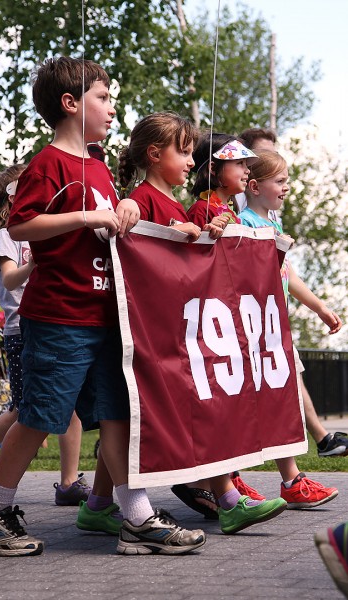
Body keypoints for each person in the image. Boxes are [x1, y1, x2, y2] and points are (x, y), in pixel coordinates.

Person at [0, 57, 205, 557]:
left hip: (105, 315)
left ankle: (137, 517)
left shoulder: (100, 166)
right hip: (60, 315)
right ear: (71, 103)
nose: (111, 107)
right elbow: (20, 226)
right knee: (40, 417)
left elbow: (113, 220)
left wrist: (124, 208)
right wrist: (85, 216)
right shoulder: (47, 163)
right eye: (103, 97)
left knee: (119, 413)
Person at [118, 112, 287, 534]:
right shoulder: (144, 196)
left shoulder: (178, 204)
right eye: (184, 151)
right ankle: (228, 500)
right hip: (159, 330)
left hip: (175, 326)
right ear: (155, 155)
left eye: (194, 152)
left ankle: (101, 504)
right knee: (185, 412)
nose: (191, 161)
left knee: (125, 422)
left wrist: (201, 229)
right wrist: (127, 206)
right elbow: (136, 219)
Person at [172, 134, 339, 520]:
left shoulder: (235, 212)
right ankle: (226, 482)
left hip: (261, 324)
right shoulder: (211, 211)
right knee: (237, 404)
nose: (246, 170)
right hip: (235, 328)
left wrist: (316, 306)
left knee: (273, 399)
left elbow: (279, 273)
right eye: (240, 164)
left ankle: (266, 480)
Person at [0, 164, 91, 508]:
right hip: (21, 330)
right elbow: (11, 280)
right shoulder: (7, 235)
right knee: (21, 412)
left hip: (48, 324)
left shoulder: (43, 231)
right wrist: (35, 264)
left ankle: (69, 482)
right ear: (9, 200)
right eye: (22, 189)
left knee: (67, 407)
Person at [239, 127, 348, 459]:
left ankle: (294, 461)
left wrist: (318, 306)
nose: (287, 187)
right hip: (253, 327)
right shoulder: (242, 224)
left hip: (275, 323)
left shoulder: (273, 224)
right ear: (255, 187)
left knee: (283, 390)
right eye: (280, 181)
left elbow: (286, 275)